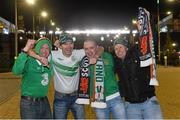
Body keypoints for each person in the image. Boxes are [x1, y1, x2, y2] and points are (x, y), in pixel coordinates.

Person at [113, 38, 163, 119]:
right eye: (116, 48)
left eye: (120, 47)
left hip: (148, 102)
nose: (118, 50)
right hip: (131, 106)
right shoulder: (116, 63)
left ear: (127, 48)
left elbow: (145, 43)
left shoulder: (137, 55)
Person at [83, 38, 126, 119]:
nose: (89, 51)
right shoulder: (83, 62)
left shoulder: (107, 56)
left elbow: (101, 48)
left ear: (97, 47)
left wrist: (96, 56)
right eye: (86, 49)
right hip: (98, 101)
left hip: (115, 98)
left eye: (91, 48)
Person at [12, 38, 53, 119]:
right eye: (41, 47)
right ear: (37, 48)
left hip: (44, 101)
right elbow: (16, 71)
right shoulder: (29, 60)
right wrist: (26, 49)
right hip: (29, 103)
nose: (44, 51)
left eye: (47, 48)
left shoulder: (50, 60)